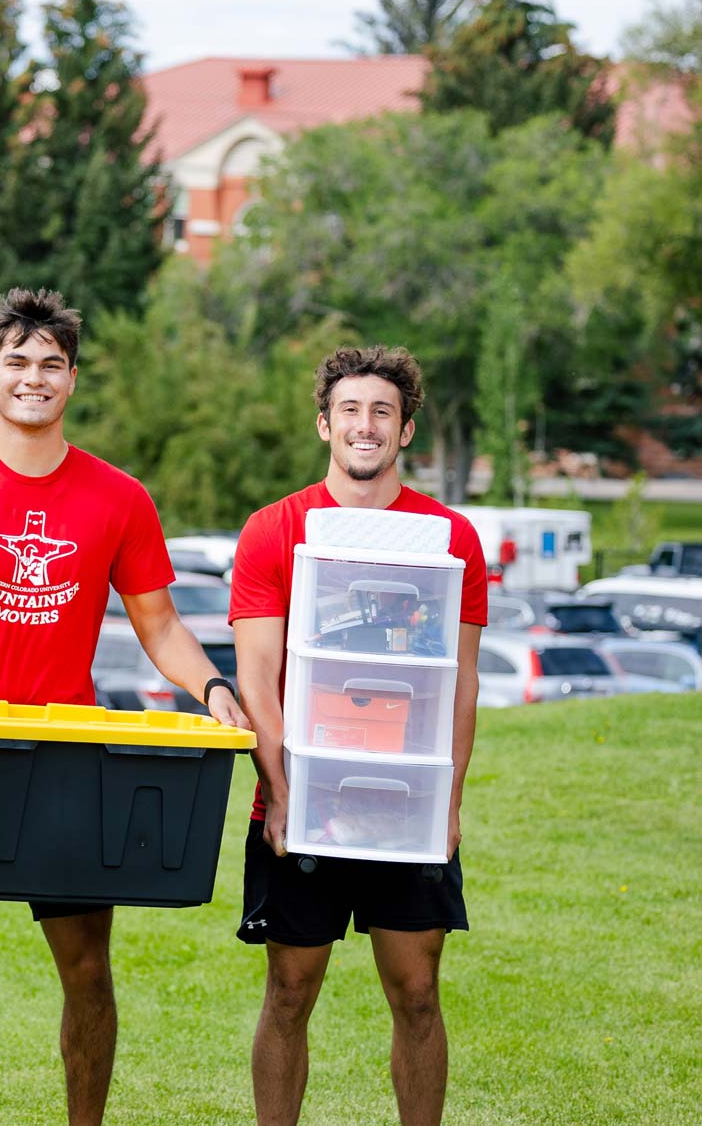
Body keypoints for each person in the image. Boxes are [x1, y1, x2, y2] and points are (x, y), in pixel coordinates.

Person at [0, 287, 251, 1126]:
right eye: (17, 361)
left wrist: (215, 689)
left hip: (66, 759)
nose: (33, 377)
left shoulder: (119, 497)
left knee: (87, 967)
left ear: (72, 379)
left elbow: (159, 624)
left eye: (50, 363)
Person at [230, 345, 487, 1126]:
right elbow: (259, 673)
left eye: (382, 411)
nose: (365, 425)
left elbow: (460, 683)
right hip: (303, 802)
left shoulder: (451, 538)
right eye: (350, 410)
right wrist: (279, 793)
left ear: (406, 429)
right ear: (324, 424)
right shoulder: (274, 529)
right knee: (289, 991)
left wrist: (446, 800)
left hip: (406, 800)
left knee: (417, 992)